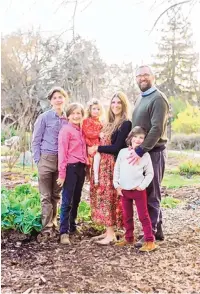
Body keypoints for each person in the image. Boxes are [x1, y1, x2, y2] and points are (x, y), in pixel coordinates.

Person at [129, 65, 169, 247]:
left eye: (145, 75)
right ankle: (157, 229)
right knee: (149, 190)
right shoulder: (141, 98)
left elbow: (157, 129)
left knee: (151, 191)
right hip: (144, 151)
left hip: (153, 152)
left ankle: (149, 234)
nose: (142, 78)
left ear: (153, 76)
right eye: (139, 75)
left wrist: (140, 150)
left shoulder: (158, 99)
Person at [88, 92, 132, 245]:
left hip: (112, 164)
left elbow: (117, 147)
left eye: (119, 102)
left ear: (124, 105)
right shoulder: (109, 123)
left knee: (109, 197)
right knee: (103, 196)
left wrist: (97, 148)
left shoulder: (125, 123)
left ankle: (111, 235)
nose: (115, 105)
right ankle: (108, 231)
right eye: (113, 102)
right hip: (103, 164)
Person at [113, 126, 158, 252]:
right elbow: (117, 169)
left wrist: (142, 186)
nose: (138, 140)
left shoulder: (145, 155)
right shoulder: (122, 152)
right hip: (124, 190)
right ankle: (129, 238)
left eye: (141, 138)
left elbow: (150, 174)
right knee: (127, 216)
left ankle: (150, 241)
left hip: (138, 191)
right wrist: (116, 185)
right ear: (130, 138)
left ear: (145, 140)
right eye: (136, 136)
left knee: (143, 216)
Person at [32, 87, 68, 240]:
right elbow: (35, 140)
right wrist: (38, 160)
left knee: (55, 195)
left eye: (61, 97)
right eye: (55, 98)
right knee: (45, 196)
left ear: (65, 99)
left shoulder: (69, 118)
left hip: (62, 161)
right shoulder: (44, 117)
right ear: (51, 101)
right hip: (46, 159)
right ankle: (47, 228)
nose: (58, 100)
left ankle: (53, 224)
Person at [57, 103, 87, 245]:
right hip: (70, 168)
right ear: (68, 116)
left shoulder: (81, 130)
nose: (76, 116)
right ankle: (64, 232)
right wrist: (62, 174)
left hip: (81, 167)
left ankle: (72, 226)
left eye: (79, 113)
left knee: (76, 198)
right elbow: (62, 153)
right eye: (73, 113)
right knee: (67, 200)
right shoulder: (66, 130)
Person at [82, 99, 103, 185]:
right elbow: (88, 132)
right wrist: (98, 134)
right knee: (94, 159)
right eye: (94, 109)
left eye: (98, 109)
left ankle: (96, 176)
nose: (96, 111)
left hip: (98, 144)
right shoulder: (87, 121)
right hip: (91, 143)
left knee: (98, 159)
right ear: (90, 110)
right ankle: (95, 178)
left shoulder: (100, 122)